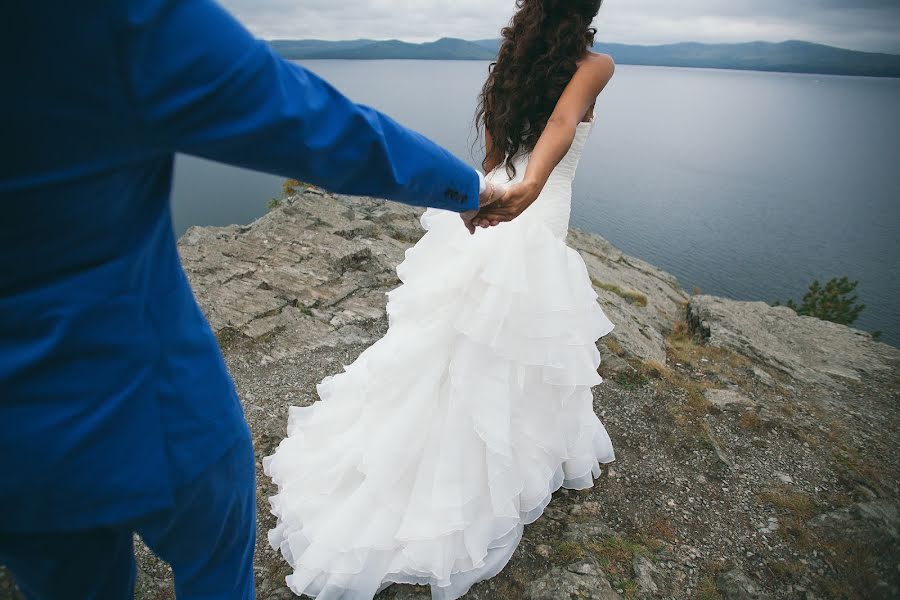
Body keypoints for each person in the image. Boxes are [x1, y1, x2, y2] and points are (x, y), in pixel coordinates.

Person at [0, 0, 505, 598]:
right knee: (215, 560)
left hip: (16, 460)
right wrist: (470, 190)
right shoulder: (109, 17)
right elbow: (318, 127)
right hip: (144, 397)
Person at [262, 0, 617, 598]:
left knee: (462, 334)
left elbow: (495, 143)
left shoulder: (513, 61)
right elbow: (562, 125)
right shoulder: (597, 64)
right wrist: (530, 188)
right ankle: (477, 471)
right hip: (535, 206)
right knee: (514, 335)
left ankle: (446, 452)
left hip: (492, 198)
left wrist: (478, 199)